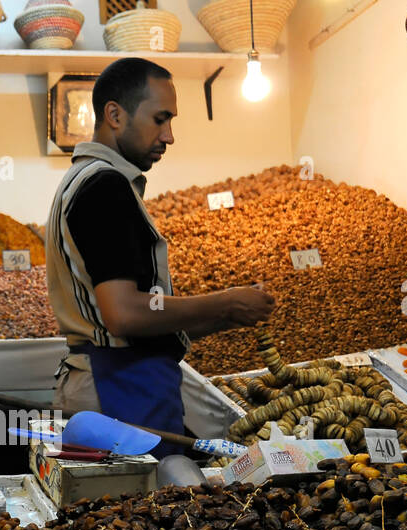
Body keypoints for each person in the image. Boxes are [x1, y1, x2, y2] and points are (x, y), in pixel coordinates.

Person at [45, 57, 275, 453]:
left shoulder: (89, 181)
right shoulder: (105, 187)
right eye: (160, 119)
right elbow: (125, 314)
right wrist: (223, 301)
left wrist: (225, 315)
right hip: (117, 390)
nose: (169, 136)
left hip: (116, 384)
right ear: (114, 115)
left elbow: (137, 313)